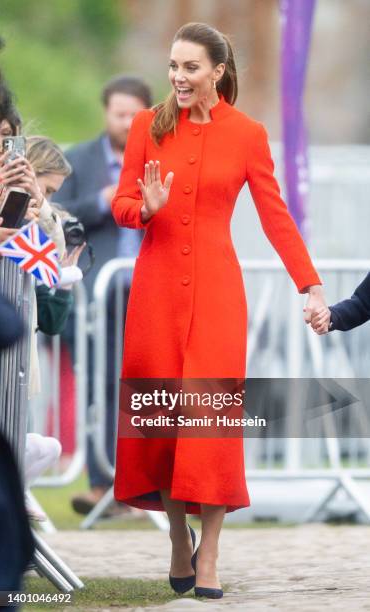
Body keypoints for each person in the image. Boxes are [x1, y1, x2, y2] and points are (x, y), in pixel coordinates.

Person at [111, 22, 327, 599]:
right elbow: (122, 203)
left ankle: (209, 555)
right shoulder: (144, 126)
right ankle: (179, 539)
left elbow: (275, 216)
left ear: (218, 72)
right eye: (173, 66)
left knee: (209, 423)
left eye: (190, 68)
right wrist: (145, 209)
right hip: (156, 292)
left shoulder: (248, 134)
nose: (178, 78)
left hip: (216, 293)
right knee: (162, 420)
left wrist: (309, 284)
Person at [56, 75, 153, 516]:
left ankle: (145, 484)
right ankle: (102, 484)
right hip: (96, 293)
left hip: (150, 288)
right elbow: (58, 217)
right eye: (119, 114)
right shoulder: (77, 160)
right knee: (97, 385)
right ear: (106, 113)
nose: (127, 122)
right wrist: (103, 200)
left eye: (135, 114)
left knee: (146, 387)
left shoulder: (160, 158)